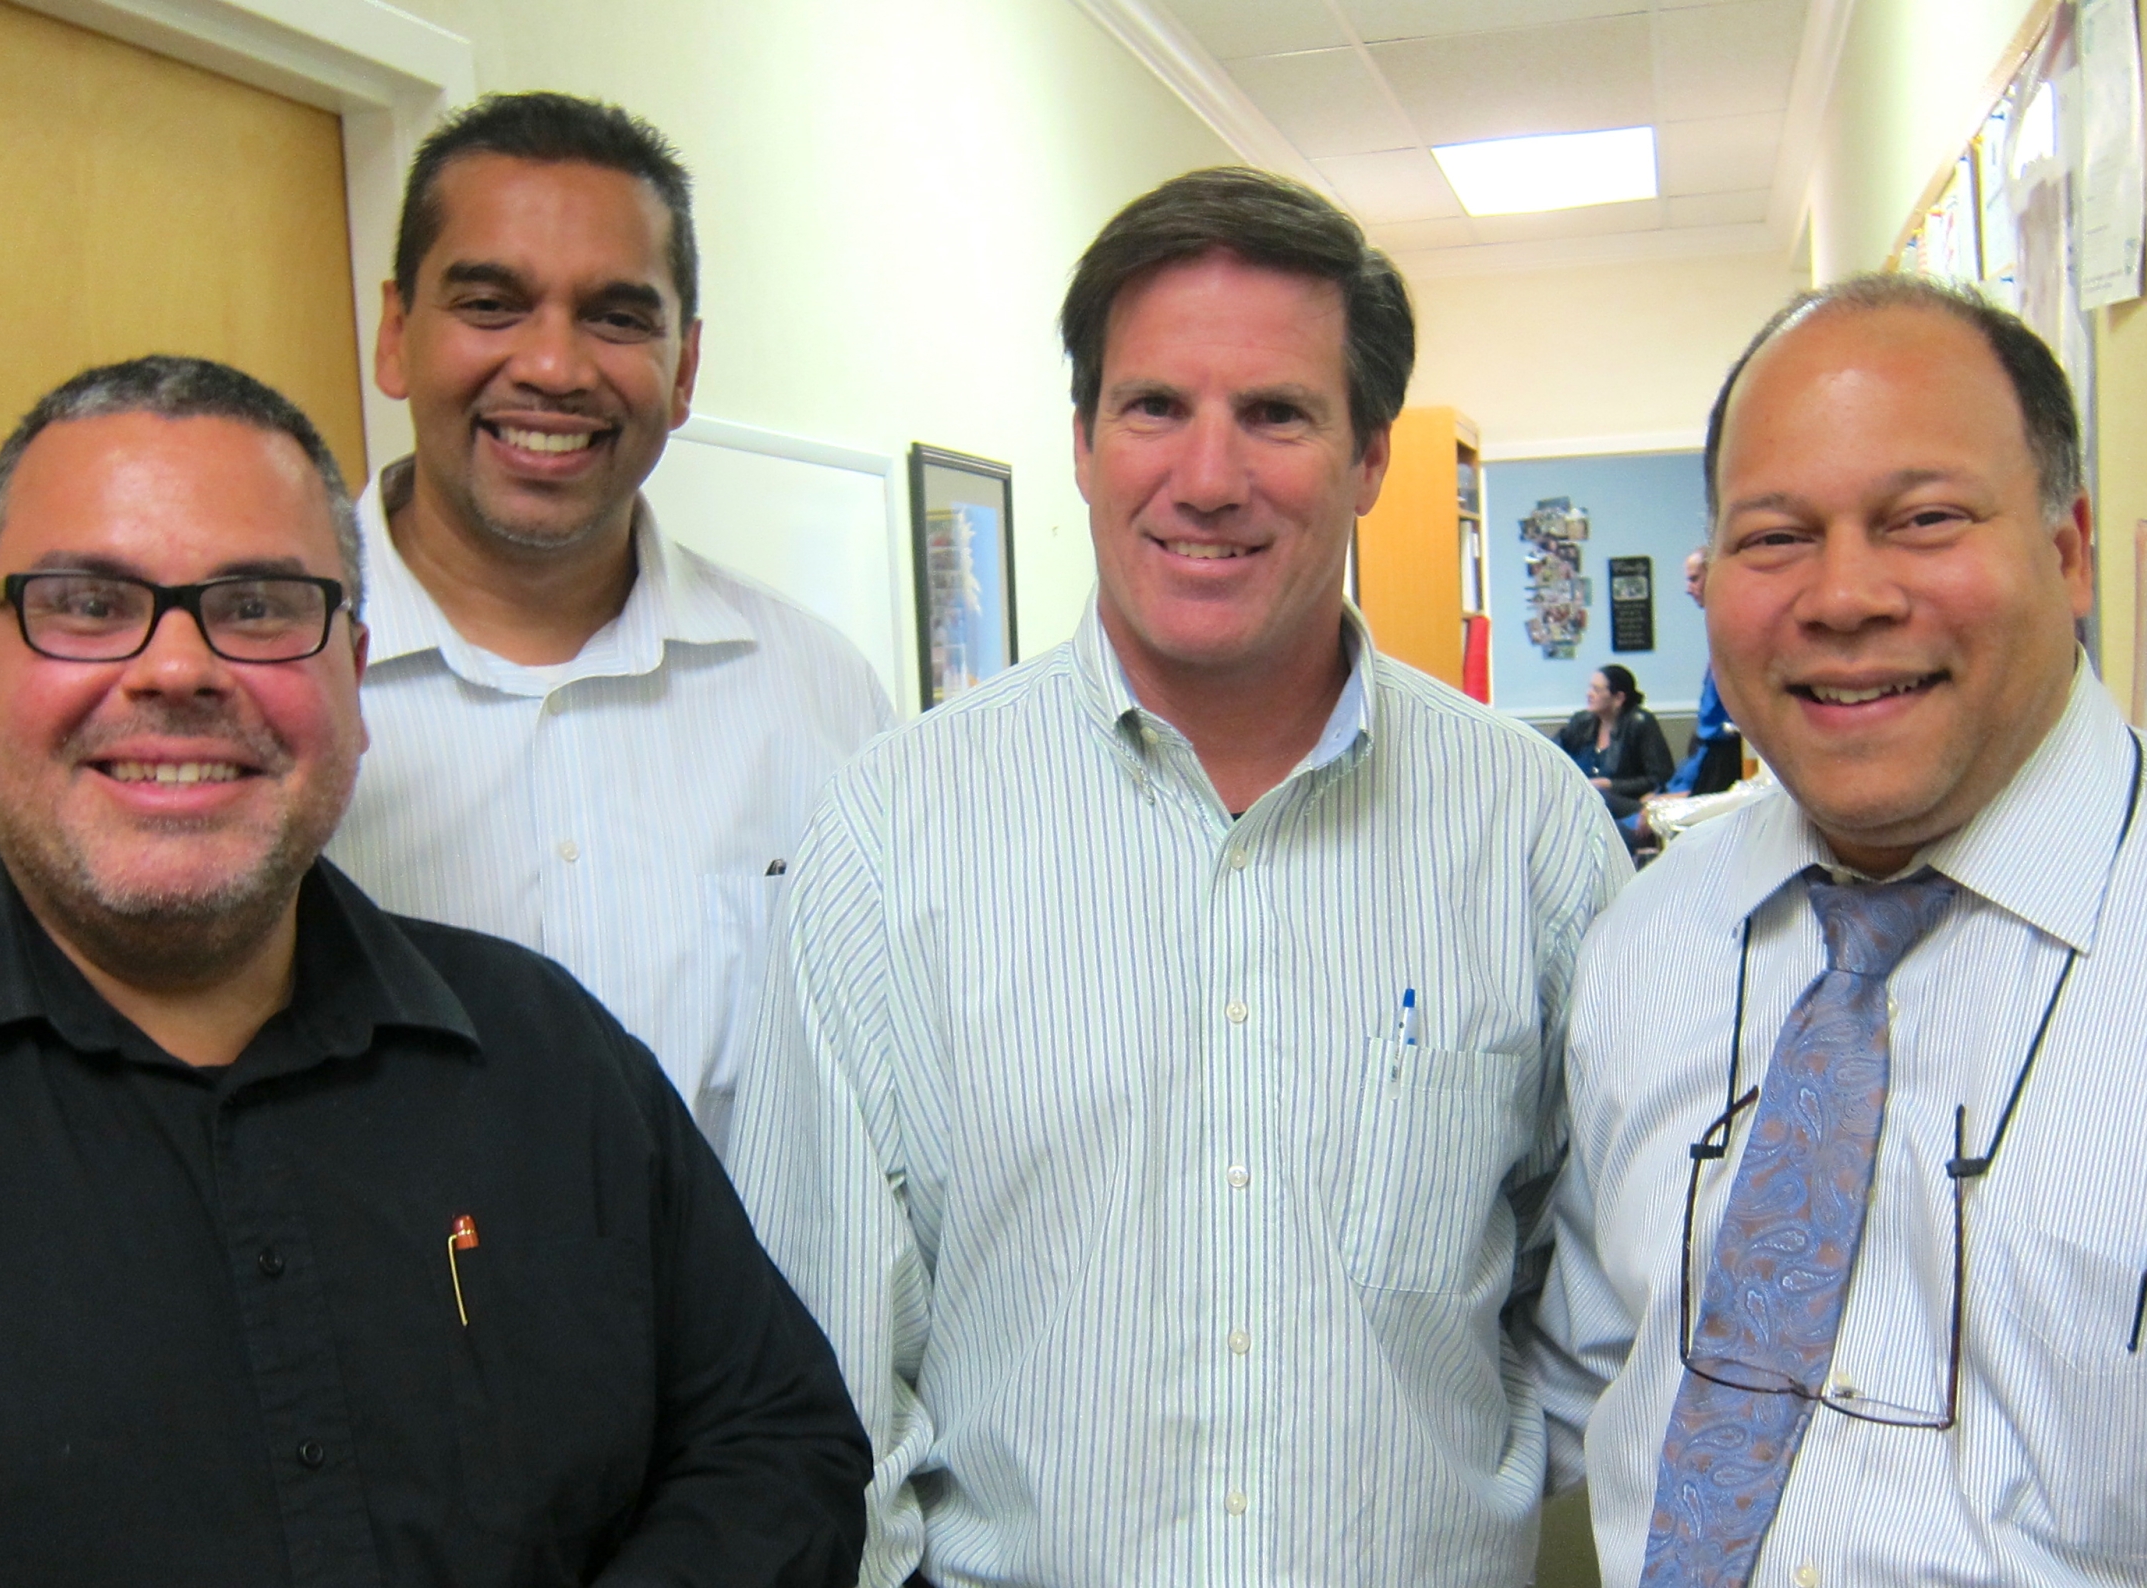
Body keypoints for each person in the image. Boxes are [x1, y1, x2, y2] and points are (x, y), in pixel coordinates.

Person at [0, 356, 868, 1587]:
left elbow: (775, 1442)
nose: (176, 669)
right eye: (88, 603)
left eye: (260, 605)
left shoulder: (549, 1056)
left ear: (353, 678)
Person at [731, 168, 1628, 1588]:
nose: (1208, 479)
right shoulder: (895, 834)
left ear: (1368, 457)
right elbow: (823, 1355)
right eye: (1154, 406)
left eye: (1275, 413)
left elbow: (1598, 1287)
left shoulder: (1531, 833)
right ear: (1083, 442)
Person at [1536, 274, 2147, 1586]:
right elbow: (1599, 1379)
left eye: (1925, 518)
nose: (1844, 596)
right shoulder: (1644, 950)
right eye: (1776, 536)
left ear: (2068, 550)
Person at [325, 93, 892, 1142]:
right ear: (396, 334)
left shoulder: (818, 696)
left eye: (617, 318)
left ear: (684, 369)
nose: (554, 367)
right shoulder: (266, 691)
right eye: (491, 304)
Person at [1659, 548, 1743, 797]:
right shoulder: (1718, 627)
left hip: (1729, 750)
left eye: (1694, 579)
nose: (1688, 589)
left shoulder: (1737, 630)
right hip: (1710, 749)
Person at [1554, 662, 1672, 821]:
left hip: (1628, 803)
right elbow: (1554, 752)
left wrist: (1609, 784)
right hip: (1584, 802)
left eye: (1596, 690)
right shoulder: (1582, 721)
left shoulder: (1640, 723)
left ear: (1618, 698)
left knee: (1597, 797)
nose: (1589, 694)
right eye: (1590, 688)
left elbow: (1658, 779)